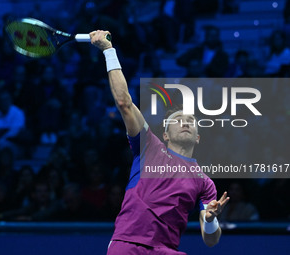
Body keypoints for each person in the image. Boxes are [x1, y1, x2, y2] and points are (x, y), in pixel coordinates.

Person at [90, 30, 230, 254]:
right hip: (127, 244)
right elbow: (124, 102)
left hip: (166, 250)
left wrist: (211, 219)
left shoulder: (205, 184)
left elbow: (211, 239)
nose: (185, 122)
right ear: (165, 135)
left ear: (197, 136)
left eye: (191, 121)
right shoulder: (147, 145)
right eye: (177, 120)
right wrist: (108, 51)